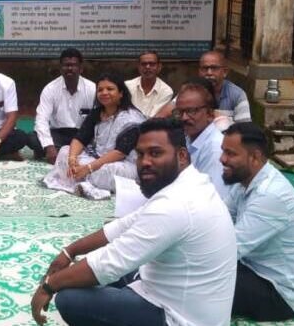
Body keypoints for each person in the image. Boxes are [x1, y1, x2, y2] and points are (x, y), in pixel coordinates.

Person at [30, 118, 237, 326]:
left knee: (70, 298)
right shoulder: (189, 183)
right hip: (178, 296)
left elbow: (110, 262)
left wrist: (49, 285)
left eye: (155, 153)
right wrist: (69, 251)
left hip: (178, 317)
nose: (145, 162)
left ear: (181, 156)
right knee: (84, 273)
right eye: (140, 154)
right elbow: (124, 225)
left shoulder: (176, 204)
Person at [221, 122, 294, 321]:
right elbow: (219, 219)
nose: (222, 159)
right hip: (252, 269)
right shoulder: (244, 181)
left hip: (278, 296)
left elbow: (227, 252)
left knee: (197, 277)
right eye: (223, 151)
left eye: (230, 154)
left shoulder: (270, 196)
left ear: (254, 157)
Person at [42, 72, 146, 200]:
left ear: (121, 93)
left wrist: (89, 168)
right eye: (100, 90)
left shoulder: (131, 119)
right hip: (97, 158)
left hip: (124, 163)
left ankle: (82, 181)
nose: (104, 93)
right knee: (65, 151)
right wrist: (72, 160)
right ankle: (82, 179)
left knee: (108, 171)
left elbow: (120, 153)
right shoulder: (97, 113)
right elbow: (80, 139)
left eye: (110, 89)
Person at [27, 48, 96, 164]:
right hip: (58, 134)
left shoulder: (92, 89)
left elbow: (98, 119)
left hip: (82, 134)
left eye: (74, 65)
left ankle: (60, 152)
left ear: (81, 68)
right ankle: (64, 152)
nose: (70, 68)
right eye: (66, 65)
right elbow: (41, 119)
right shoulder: (50, 89)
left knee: (98, 140)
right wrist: (49, 146)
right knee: (32, 138)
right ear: (60, 68)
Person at [175, 78, 230, 199]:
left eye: (191, 111)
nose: (184, 118)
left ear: (210, 114)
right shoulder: (189, 138)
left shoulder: (215, 149)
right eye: (179, 112)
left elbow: (213, 198)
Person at [124, 51, 173, 118]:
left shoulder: (166, 91)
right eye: (144, 64)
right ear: (138, 67)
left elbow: (154, 117)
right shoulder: (127, 86)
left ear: (159, 67)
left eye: (152, 64)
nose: (147, 67)